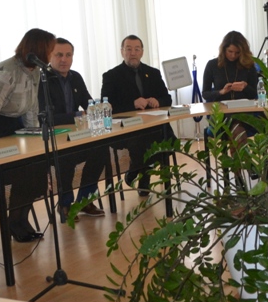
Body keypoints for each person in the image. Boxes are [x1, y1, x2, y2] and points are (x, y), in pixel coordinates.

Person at [0, 28, 55, 242]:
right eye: (51, 50)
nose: (52, 54)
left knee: (36, 164)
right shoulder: (6, 72)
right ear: (40, 49)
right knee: (21, 169)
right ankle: (14, 222)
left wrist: (33, 139)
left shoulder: (35, 70)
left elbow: (32, 107)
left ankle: (19, 219)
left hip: (9, 120)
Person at [40, 38, 105, 220]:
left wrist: (101, 108)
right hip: (54, 142)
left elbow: (89, 104)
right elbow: (46, 117)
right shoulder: (43, 79)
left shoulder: (75, 77)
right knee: (65, 157)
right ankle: (65, 204)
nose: (64, 59)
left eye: (68, 55)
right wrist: (77, 115)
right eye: (59, 55)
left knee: (101, 150)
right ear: (49, 56)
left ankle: (84, 200)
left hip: (77, 137)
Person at [100, 35, 172, 196]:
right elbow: (107, 106)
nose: (133, 53)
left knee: (167, 138)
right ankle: (143, 175)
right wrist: (132, 104)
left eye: (137, 49)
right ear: (122, 51)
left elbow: (167, 98)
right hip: (127, 128)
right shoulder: (111, 75)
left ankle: (135, 171)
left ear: (142, 52)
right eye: (128, 49)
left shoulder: (153, 73)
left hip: (152, 125)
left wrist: (158, 101)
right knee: (143, 141)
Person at [202, 31, 259, 102]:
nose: (233, 55)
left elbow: (254, 94)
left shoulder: (248, 65)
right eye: (230, 51)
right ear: (223, 49)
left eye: (237, 52)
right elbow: (205, 94)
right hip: (220, 107)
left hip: (244, 107)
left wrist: (245, 87)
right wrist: (221, 92)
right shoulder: (212, 65)